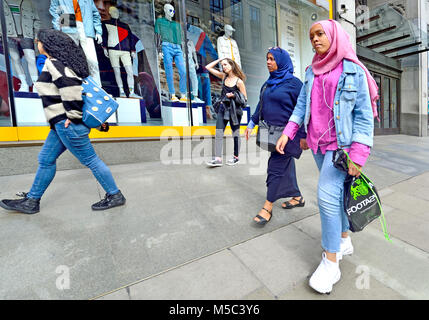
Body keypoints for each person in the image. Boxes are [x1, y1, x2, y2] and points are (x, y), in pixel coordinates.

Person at [276, 20, 377, 294]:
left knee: (326, 195)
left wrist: (358, 154)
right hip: (319, 147)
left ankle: (330, 261)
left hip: (342, 147)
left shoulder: (353, 70)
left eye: (320, 34)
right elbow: (302, 106)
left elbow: (364, 116)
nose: (315, 40)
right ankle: (344, 237)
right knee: (337, 193)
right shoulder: (311, 71)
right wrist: (292, 132)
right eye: (311, 36)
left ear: (334, 36)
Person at [0, 29, 126, 215]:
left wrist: (72, 117)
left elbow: (72, 89)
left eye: (39, 41)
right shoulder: (62, 63)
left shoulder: (54, 64)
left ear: (48, 44)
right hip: (60, 125)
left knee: (91, 160)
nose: (37, 43)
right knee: (46, 159)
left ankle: (115, 195)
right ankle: (32, 200)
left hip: (68, 125)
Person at [245, 47, 307, 226]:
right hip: (272, 132)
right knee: (286, 166)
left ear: (282, 61)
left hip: (289, 135)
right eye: (267, 58)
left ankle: (267, 206)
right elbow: (261, 104)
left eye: (272, 59)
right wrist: (251, 123)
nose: (268, 62)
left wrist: (303, 135)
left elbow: (303, 110)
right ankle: (297, 197)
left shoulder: (295, 84)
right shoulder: (269, 83)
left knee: (275, 167)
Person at [205, 58, 247, 167]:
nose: (223, 67)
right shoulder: (223, 77)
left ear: (232, 66)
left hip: (234, 111)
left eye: (225, 65)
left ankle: (236, 157)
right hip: (223, 109)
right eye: (222, 65)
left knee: (235, 134)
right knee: (218, 133)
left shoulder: (239, 82)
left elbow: (244, 100)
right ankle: (218, 159)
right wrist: (219, 59)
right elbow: (207, 67)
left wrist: (234, 95)